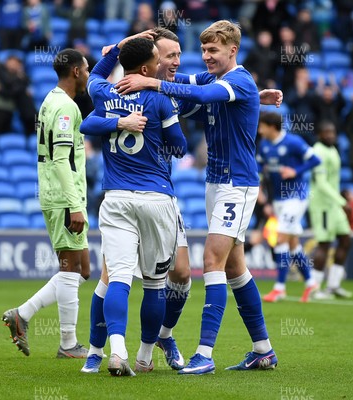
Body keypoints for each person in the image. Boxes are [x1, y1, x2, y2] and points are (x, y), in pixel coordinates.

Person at [115, 20, 282, 374]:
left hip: (237, 183)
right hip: (215, 182)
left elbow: (204, 96)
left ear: (232, 50)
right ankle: (263, 349)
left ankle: (204, 354)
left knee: (211, 261)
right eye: (203, 50)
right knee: (235, 267)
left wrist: (150, 81)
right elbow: (184, 86)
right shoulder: (217, 79)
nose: (205, 57)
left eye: (213, 50)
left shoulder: (237, 80)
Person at [79, 28, 194, 374]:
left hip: (115, 197)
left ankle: (116, 352)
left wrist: (118, 47)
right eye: (159, 59)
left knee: (118, 279)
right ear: (146, 69)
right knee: (156, 284)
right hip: (156, 198)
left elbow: (96, 74)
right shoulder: (159, 99)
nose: (164, 64)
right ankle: (145, 356)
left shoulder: (103, 91)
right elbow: (180, 147)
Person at [1, 49, 91, 359]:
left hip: (62, 195)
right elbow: (61, 159)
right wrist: (74, 204)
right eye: (87, 69)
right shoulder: (65, 108)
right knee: (70, 268)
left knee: (83, 269)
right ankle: (68, 344)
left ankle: (22, 314)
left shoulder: (51, 100)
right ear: (76, 72)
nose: (90, 74)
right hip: (64, 197)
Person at [257, 112, 321, 303]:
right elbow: (259, 169)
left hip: (296, 197)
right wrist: (260, 192)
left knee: (280, 239)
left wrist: (295, 170)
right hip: (277, 199)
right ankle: (311, 282)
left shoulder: (293, 142)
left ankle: (279, 288)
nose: (259, 129)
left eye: (262, 126)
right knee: (293, 243)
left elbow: (315, 160)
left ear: (271, 126)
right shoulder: (265, 145)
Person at [308, 121, 353, 300]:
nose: (330, 135)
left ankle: (333, 286)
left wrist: (340, 197)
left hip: (333, 204)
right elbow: (321, 183)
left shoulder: (333, 149)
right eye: (326, 132)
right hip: (323, 205)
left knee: (346, 240)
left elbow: (332, 180)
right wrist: (341, 201)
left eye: (332, 131)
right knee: (324, 244)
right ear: (319, 134)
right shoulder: (318, 151)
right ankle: (314, 289)